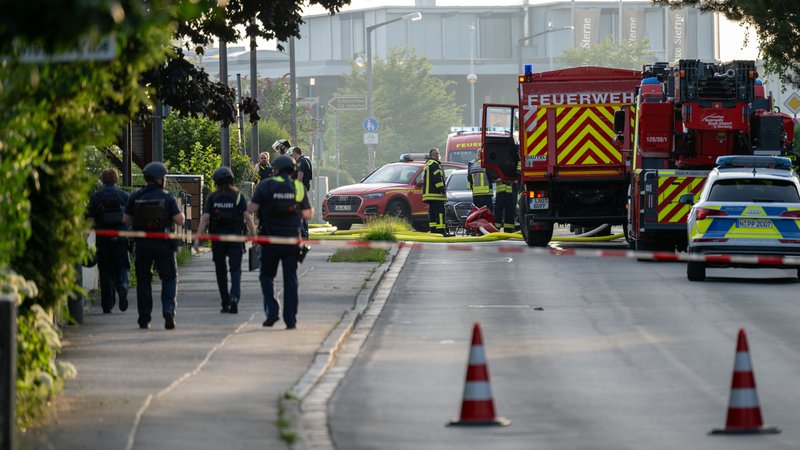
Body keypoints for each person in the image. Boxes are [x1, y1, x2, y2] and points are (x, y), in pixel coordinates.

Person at [247, 155, 313, 330]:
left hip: (269, 239)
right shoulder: (298, 186)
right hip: (292, 240)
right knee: (290, 279)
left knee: (266, 276)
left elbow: (250, 209)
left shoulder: (265, 185)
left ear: (274, 169)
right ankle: (290, 320)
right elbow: (308, 214)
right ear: (292, 170)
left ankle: (272, 310)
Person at [123, 162, 185, 330]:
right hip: (164, 244)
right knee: (169, 278)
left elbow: (126, 220)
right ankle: (168, 310)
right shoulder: (167, 197)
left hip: (142, 245)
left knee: (144, 281)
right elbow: (180, 220)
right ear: (160, 179)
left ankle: (144, 318)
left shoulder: (135, 196)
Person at [194, 166, 256, 314]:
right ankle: (234, 298)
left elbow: (205, 218)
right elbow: (247, 217)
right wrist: (254, 236)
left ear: (216, 181)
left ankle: (225, 302)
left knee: (220, 271)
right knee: (235, 270)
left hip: (218, 240)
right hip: (236, 238)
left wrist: (197, 237)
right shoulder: (238, 196)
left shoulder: (213, 197)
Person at [86, 168, 131, 314]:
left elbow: (89, 221)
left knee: (105, 271)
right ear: (116, 180)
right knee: (123, 266)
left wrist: (83, 241)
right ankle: (123, 285)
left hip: (103, 240)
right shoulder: (125, 196)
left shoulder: (96, 197)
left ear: (102, 180)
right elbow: (132, 218)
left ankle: (107, 305)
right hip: (121, 238)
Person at [422, 147, 449, 236]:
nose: (438, 155)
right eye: (437, 154)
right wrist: (442, 190)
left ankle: (433, 230)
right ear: (434, 155)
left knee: (433, 212)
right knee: (440, 212)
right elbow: (437, 179)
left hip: (429, 195)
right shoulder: (435, 164)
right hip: (436, 194)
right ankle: (441, 230)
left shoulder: (428, 164)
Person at [291, 146, 313, 239]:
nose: (293, 156)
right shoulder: (307, 160)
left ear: (296, 153)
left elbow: (300, 175)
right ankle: (305, 233)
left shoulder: (300, 162)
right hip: (305, 187)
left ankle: (303, 233)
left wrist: (296, 188)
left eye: (293, 154)